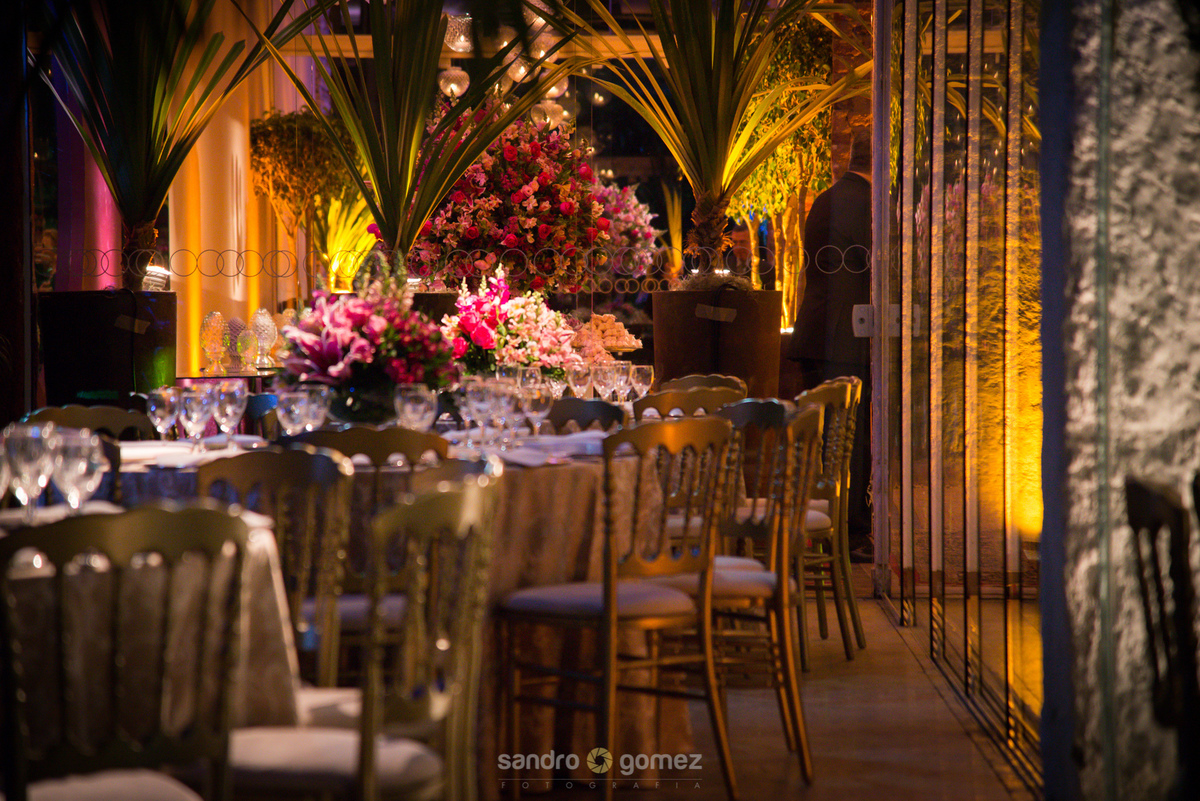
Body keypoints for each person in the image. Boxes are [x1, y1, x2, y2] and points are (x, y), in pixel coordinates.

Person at [788, 129, 873, 562]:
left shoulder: (828, 198)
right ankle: (849, 534)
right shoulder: (864, 204)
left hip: (820, 330)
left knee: (830, 442)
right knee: (848, 441)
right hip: (843, 337)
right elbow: (875, 266)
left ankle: (832, 528)